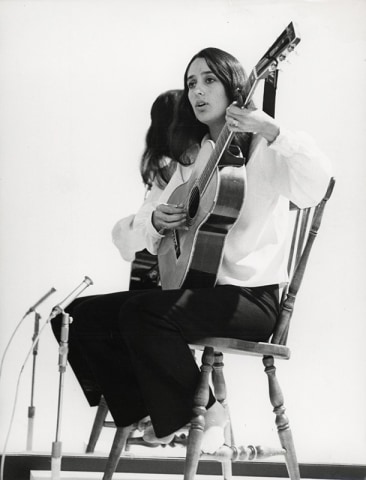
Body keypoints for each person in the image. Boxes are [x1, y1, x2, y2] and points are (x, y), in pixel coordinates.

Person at [67, 47, 332, 453]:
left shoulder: (262, 149)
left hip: (252, 300)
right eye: (191, 83)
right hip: (200, 294)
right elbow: (136, 229)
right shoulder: (192, 161)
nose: (197, 91)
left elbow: (316, 185)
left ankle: (204, 410)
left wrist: (273, 131)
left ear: (235, 88)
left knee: (142, 311)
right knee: (79, 315)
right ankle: (149, 412)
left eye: (209, 80)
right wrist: (156, 222)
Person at [51, 89, 183, 407]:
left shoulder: (195, 172)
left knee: (99, 316)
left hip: (184, 291)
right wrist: (142, 223)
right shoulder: (166, 174)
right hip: (160, 282)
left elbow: (132, 239)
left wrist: (137, 226)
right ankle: (133, 405)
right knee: (65, 318)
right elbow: (133, 241)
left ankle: (141, 406)